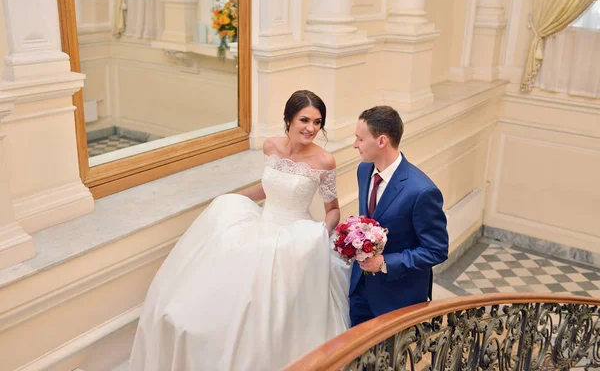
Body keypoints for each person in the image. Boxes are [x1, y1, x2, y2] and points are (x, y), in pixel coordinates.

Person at [129, 90, 351, 371]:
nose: (311, 128)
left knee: (274, 310)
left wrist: (320, 234)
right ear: (288, 119)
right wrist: (231, 198)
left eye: (317, 122)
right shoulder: (271, 146)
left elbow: (333, 209)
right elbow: (268, 187)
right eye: (304, 120)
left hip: (294, 236)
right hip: (261, 224)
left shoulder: (324, 161)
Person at [350, 105, 449, 326]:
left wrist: (385, 262)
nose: (355, 144)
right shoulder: (363, 170)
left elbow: (437, 250)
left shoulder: (422, 191)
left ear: (381, 141)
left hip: (395, 299)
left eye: (360, 139)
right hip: (359, 290)